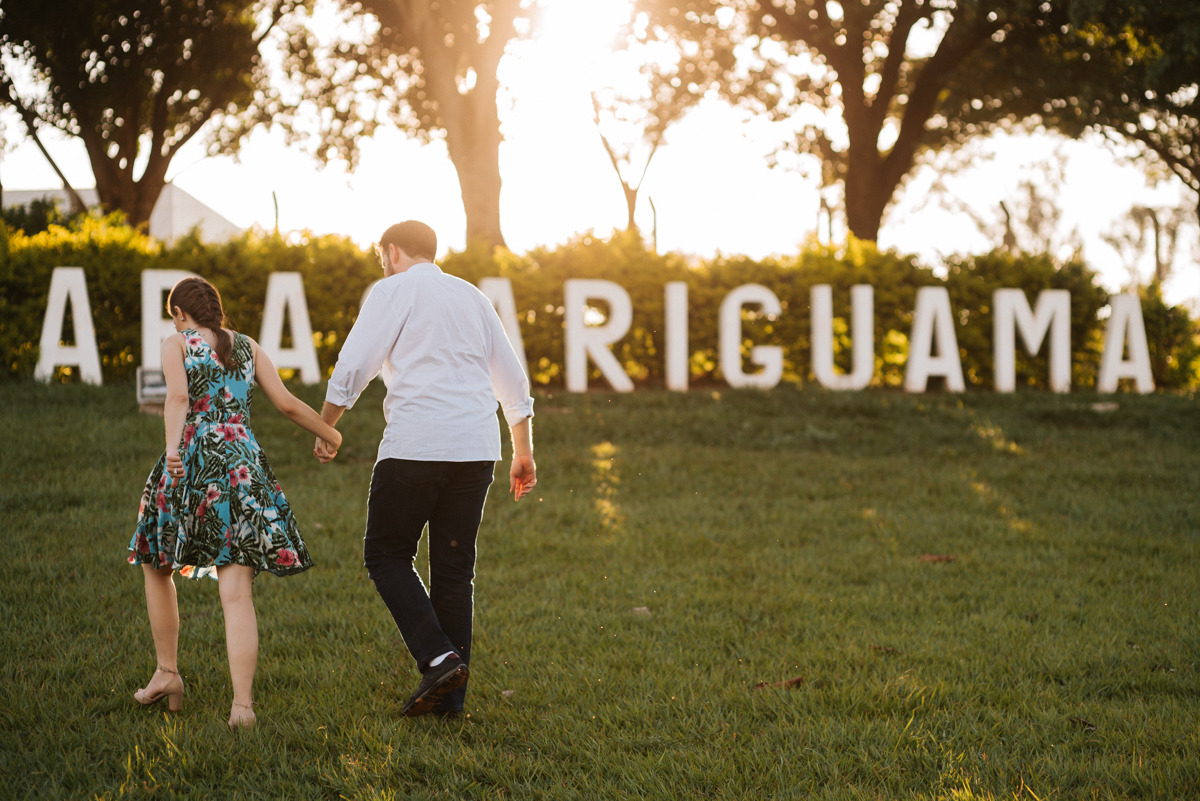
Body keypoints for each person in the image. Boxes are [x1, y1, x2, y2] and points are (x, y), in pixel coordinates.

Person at [315, 220, 536, 718]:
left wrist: (327, 427)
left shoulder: (392, 290)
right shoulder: (472, 296)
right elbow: (510, 376)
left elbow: (355, 364)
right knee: (455, 573)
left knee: (386, 554)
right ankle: (449, 701)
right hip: (477, 448)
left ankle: (438, 658)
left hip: (416, 444)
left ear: (392, 252)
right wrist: (523, 450)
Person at [128, 276, 342, 730]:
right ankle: (242, 707)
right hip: (242, 465)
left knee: (157, 562)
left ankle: (168, 672)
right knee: (237, 591)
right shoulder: (247, 346)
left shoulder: (177, 343)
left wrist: (171, 449)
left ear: (180, 314)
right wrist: (331, 433)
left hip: (193, 461)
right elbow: (284, 404)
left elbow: (179, 397)